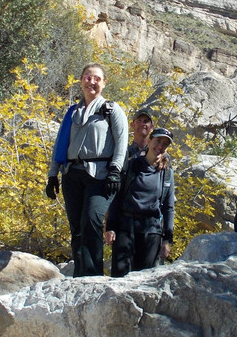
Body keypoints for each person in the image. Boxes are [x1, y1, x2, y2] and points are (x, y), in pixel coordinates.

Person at [45, 62, 128, 276]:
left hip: (100, 175)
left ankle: (92, 276)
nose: (92, 82)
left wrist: (115, 170)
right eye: (88, 77)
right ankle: (79, 275)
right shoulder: (73, 112)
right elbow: (60, 143)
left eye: (97, 79)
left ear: (104, 83)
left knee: (91, 220)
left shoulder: (111, 110)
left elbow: (121, 142)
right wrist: (52, 174)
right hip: (72, 174)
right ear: (81, 80)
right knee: (77, 228)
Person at [105, 127, 175, 276]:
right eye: (157, 141)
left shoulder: (167, 173)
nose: (160, 147)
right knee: (120, 277)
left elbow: (169, 208)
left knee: (145, 278)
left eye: (165, 144)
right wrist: (110, 227)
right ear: (149, 141)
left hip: (151, 230)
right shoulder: (132, 166)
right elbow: (117, 197)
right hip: (126, 226)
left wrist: (167, 239)